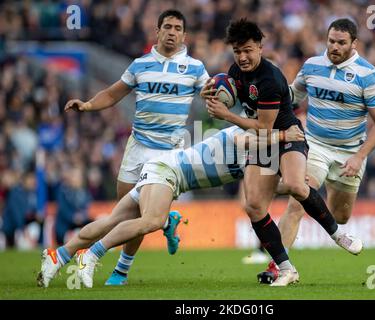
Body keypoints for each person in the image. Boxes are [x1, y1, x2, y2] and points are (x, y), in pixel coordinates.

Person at [36, 124, 303, 288]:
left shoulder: (259, 158)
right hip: (168, 170)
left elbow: (259, 191)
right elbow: (244, 141)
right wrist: (283, 136)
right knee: (151, 220)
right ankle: (91, 255)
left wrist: (292, 183)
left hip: (166, 171)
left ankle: (58, 256)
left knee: (112, 221)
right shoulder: (246, 133)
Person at [202, 18, 363, 286]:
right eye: (238, 51)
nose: (242, 57)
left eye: (248, 50)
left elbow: (264, 126)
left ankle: (337, 235)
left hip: (288, 136)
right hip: (264, 142)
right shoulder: (235, 71)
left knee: (294, 185)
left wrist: (227, 115)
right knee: (253, 205)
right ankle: (286, 268)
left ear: (260, 47)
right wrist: (210, 95)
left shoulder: (270, 78)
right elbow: (227, 94)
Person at [61, 9, 209, 285]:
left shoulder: (195, 68)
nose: (172, 32)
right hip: (138, 146)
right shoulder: (140, 65)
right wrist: (89, 104)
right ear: (157, 31)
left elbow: (212, 94)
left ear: (184, 35)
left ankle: (121, 271)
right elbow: (113, 93)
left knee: (142, 215)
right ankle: (166, 221)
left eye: (178, 28)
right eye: (167, 26)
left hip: (168, 153)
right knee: (125, 214)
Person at [259, 18, 375, 282]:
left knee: (340, 216)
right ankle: (278, 267)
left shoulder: (368, 75)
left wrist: (359, 156)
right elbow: (292, 97)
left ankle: (322, 213)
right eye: (331, 41)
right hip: (315, 145)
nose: (335, 47)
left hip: (349, 153)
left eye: (341, 43)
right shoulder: (312, 66)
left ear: (354, 44)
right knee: (297, 200)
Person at [55, 166, 93, 246]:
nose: (76, 179)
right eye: (74, 176)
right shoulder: (63, 192)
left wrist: (82, 216)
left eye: (79, 176)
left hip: (81, 224)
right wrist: (73, 217)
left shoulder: (85, 193)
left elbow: (88, 209)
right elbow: (63, 209)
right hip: (66, 226)